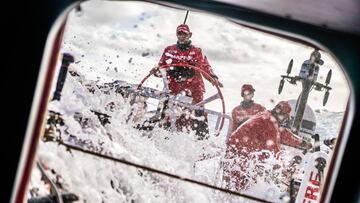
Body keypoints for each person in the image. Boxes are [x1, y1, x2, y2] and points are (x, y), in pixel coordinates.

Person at [222, 101, 312, 191]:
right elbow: (275, 150)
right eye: (285, 117)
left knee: (241, 184)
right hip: (240, 155)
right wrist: (284, 170)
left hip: (236, 151)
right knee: (241, 189)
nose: (285, 120)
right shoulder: (269, 123)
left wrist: (301, 142)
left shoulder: (266, 115)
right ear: (282, 115)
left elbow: (281, 133)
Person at [153, 24, 223, 139]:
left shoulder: (197, 51)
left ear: (189, 35)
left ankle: (202, 141)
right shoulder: (169, 50)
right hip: (174, 89)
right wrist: (156, 71)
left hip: (194, 89)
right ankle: (164, 137)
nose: (181, 36)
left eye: (184, 34)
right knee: (169, 113)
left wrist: (212, 77)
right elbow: (162, 67)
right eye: (179, 33)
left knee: (198, 114)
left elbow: (205, 66)